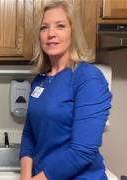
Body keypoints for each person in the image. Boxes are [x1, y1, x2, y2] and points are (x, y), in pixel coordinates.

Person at [19, 1, 112, 180]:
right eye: (44, 28)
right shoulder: (40, 81)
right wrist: (25, 176)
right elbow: (29, 134)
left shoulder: (88, 78)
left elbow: (82, 152)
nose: (51, 34)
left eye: (60, 26)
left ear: (73, 32)